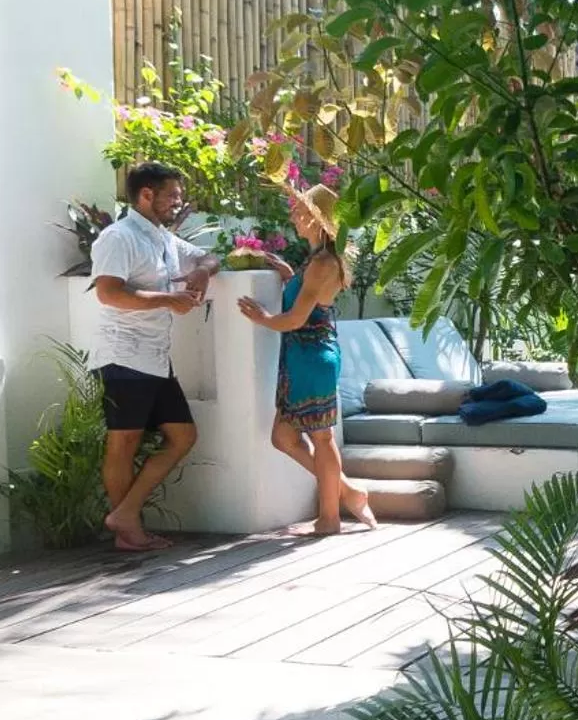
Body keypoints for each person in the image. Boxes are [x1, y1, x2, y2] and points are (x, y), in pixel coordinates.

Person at [88, 161, 220, 552]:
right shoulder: (119, 237)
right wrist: (168, 299)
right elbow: (108, 293)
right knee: (123, 443)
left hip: (156, 360)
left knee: (183, 436)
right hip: (123, 356)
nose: (179, 204)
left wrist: (204, 273)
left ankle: (125, 513)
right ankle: (128, 530)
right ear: (146, 195)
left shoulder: (162, 238)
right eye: (173, 196)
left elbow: (207, 256)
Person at [236, 184, 377, 536]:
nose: (293, 216)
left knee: (322, 438)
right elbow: (307, 296)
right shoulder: (315, 261)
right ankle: (349, 491)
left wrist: (263, 318)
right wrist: (289, 276)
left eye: (300, 210)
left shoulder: (324, 263)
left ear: (317, 218)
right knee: (284, 437)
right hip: (303, 357)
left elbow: (297, 319)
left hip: (312, 356)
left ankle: (329, 518)